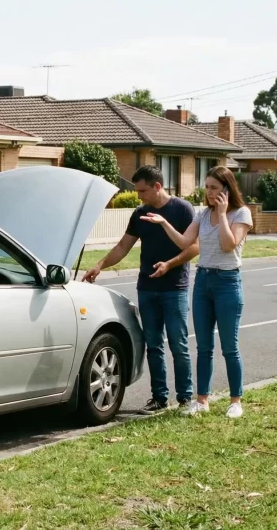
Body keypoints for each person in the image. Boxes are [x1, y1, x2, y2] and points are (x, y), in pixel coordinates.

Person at [83, 165, 199, 414]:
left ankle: (185, 399)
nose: (139, 196)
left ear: (157, 186)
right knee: (153, 345)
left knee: (178, 344)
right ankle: (159, 398)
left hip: (174, 289)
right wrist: (100, 265)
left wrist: (169, 264)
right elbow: (124, 245)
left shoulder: (182, 209)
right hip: (147, 288)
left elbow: (194, 248)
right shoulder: (139, 214)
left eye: (142, 190)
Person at [141, 166, 251, 419]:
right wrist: (164, 223)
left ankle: (236, 401)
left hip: (227, 282)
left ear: (227, 189)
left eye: (214, 187)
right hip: (203, 281)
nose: (209, 192)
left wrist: (223, 214)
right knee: (203, 347)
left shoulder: (241, 214)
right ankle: (202, 400)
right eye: (207, 187)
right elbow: (184, 242)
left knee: (229, 347)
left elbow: (228, 245)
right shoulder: (202, 215)